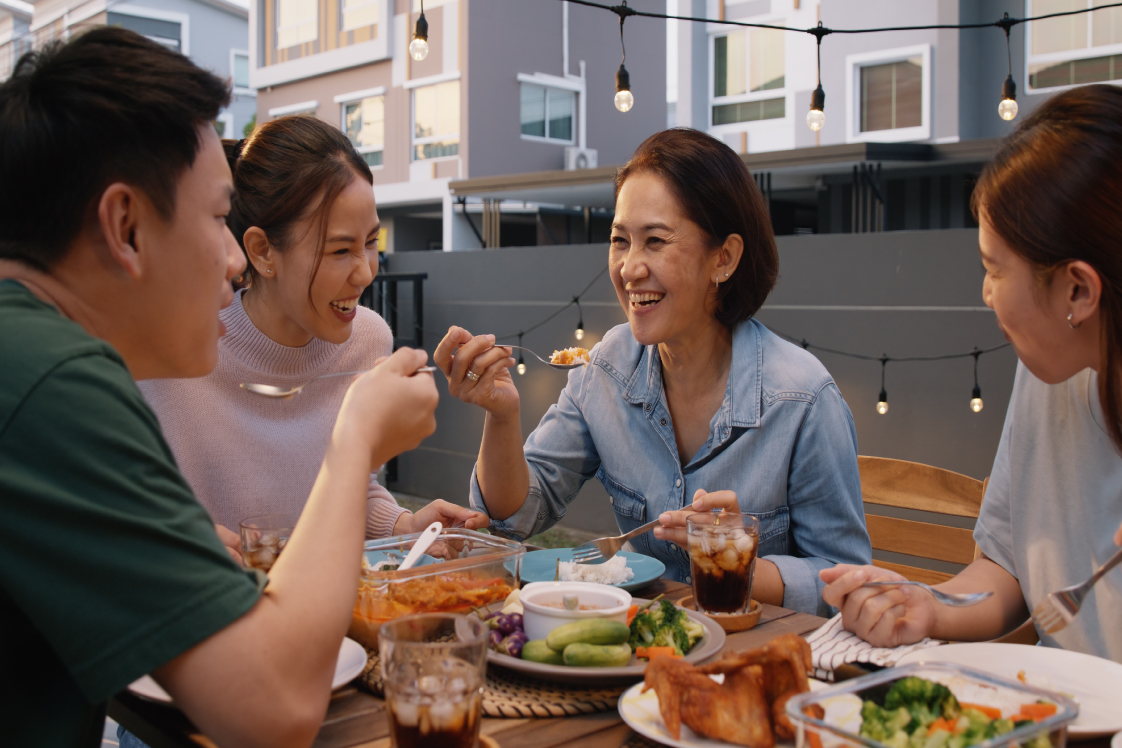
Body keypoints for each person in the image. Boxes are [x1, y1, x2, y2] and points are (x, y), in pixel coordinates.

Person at [0, 28, 438, 748]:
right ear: (125, 226)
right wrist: (354, 435)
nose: (234, 259)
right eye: (216, 218)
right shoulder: (57, 380)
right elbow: (272, 710)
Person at [435, 128, 871, 616]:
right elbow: (513, 516)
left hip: (757, 659)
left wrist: (730, 557)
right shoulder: (606, 368)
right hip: (640, 652)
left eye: (656, 241)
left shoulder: (804, 399)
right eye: (620, 240)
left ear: (723, 258)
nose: (629, 268)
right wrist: (501, 415)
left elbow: (843, 583)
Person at [820, 84, 1122, 663]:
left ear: (1077, 291)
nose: (985, 294)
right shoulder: (1047, 375)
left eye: (993, 269)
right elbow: (1006, 566)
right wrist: (928, 605)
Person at [137, 116, 482, 545]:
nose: (365, 272)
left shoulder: (368, 339)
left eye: (371, 243)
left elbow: (348, 487)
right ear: (263, 252)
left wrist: (403, 526)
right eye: (340, 249)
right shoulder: (181, 353)